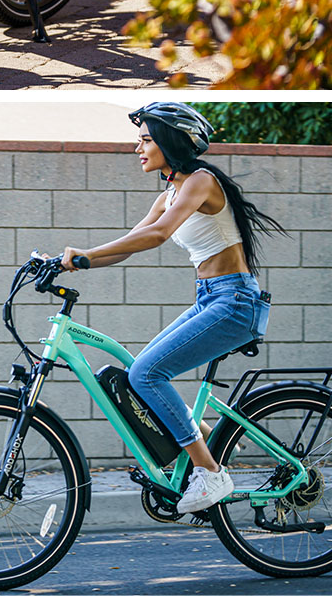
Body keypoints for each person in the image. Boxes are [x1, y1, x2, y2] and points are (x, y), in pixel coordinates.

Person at [56, 102, 282, 515]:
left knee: (146, 373)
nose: (138, 148)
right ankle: (207, 451)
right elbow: (131, 242)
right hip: (210, 297)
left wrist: (85, 255)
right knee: (140, 371)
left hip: (235, 300)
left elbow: (159, 235)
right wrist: (68, 262)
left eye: (145, 140)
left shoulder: (201, 181)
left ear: (170, 142)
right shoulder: (169, 194)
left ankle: (210, 472)